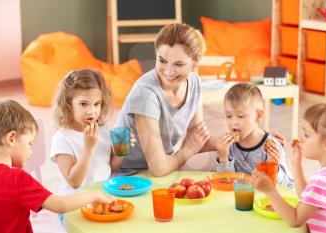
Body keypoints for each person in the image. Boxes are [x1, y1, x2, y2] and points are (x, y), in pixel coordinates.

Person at [0, 99, 113, 233]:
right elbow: (60, 205)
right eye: (29, 143)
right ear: (11, 138)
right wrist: (94, 195)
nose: (31, 152)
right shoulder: (15, 178)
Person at [114, 23, 218, 177]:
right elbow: (159, 168)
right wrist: (186, 151)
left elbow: (198, 138)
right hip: (131, 176)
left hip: (168, 165)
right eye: (162, 61)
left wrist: (237, 141)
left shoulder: (194, 82)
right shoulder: (146, 94)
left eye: (178, 64)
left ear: (195, 61)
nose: (168, 72)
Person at [251, 99, 326, 232]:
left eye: (306, 135)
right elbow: (307, 199)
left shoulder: (323, 181)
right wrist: (297, 165)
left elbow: (295, 219)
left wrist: (269, 190)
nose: (301, 138)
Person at [50, 69, 133, 194]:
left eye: (96, 104)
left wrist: (120, 152)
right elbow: (74, 182)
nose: (91, 111)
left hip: (102, 194)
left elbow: (108, 168)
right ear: (68, 105)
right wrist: (88, 148)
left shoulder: (103, 131)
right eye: (83, 104)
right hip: (74, 202)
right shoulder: (63, 138)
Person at [216, 83, 293, 188]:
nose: (233, 122)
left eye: (240, 116)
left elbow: (287, 186)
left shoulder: (271, 146)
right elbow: (227, 183)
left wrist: (273, 167)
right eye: (228, 116)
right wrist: (223, 157)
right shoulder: (229, 146)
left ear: (258, 116)